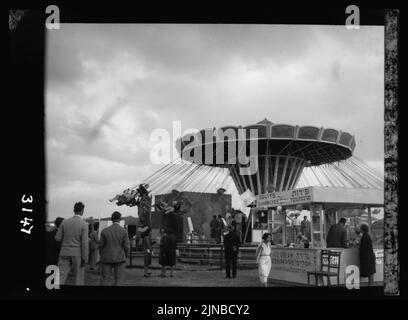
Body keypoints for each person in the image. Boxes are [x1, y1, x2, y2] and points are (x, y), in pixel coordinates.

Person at [55, 202, 89, 285]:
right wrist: (85, 257)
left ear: (74, 210)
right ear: (82, 211)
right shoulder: (84, 224)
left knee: (60, 277)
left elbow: (57, 238)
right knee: (78, 279)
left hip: (64, 252)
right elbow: (84, 243)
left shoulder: (64, 222)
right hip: (77, 253)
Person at [99, 211, 130, 286]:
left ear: (111, 219)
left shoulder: (104, 231)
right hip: (120, 258)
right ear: (120, 219)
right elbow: (126, 246)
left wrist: (102, 254)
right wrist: (126, 255)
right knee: (118, 279)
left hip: (106, 257)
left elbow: (101, 246)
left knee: (105, 278)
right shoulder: (124, 231)